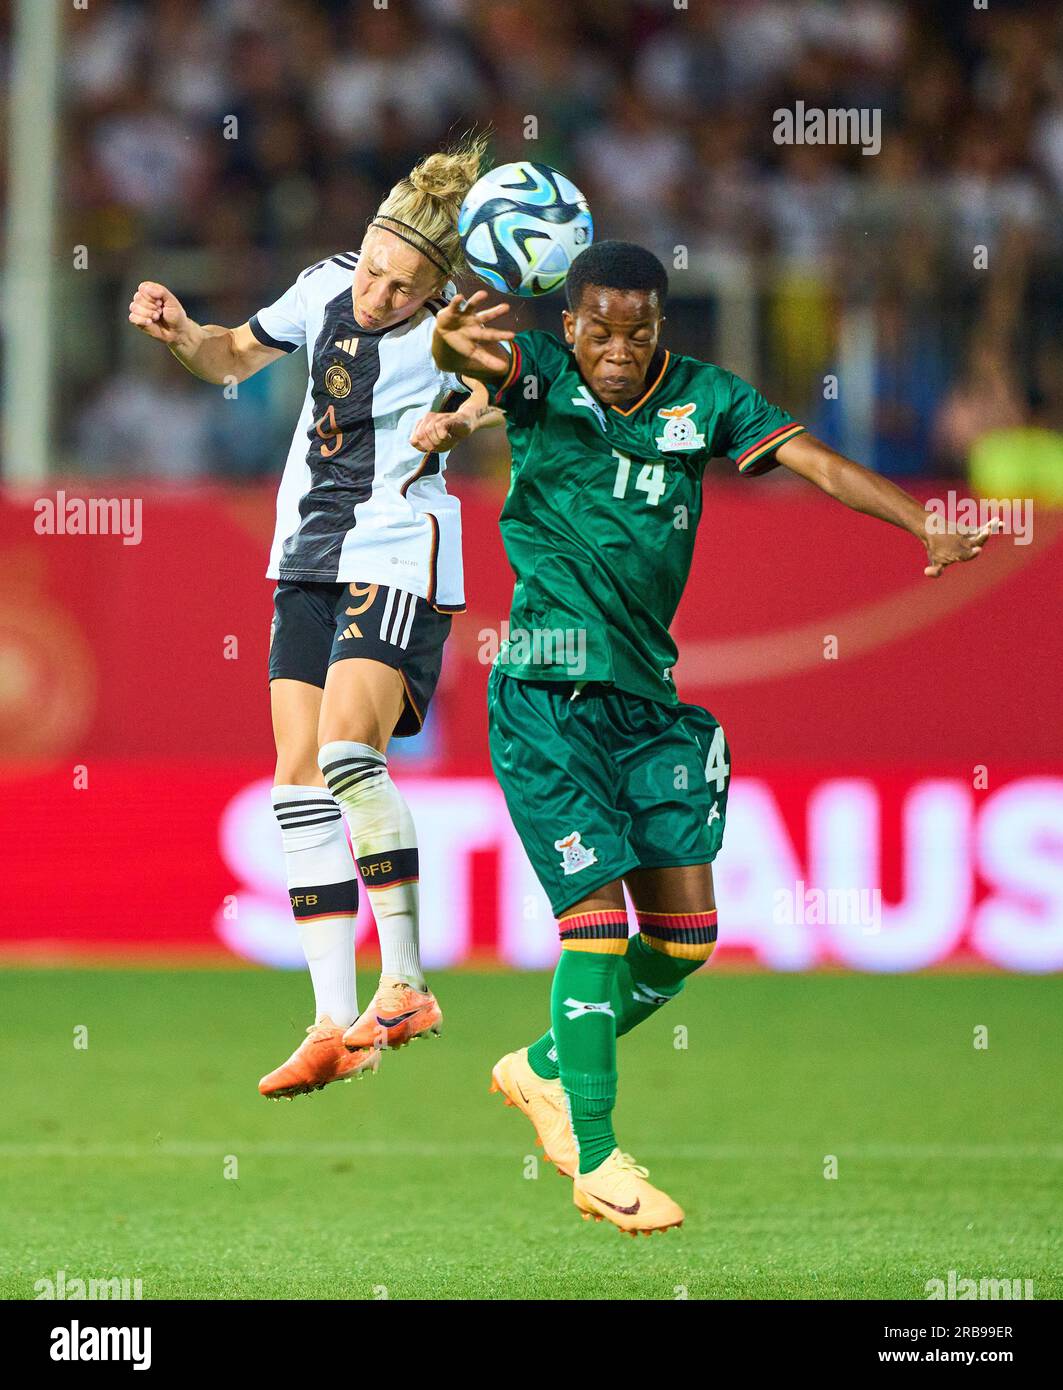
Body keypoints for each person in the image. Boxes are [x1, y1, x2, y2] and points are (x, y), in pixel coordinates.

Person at [432, 239, 996, 1234]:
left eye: (636, 331)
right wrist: (447, 343)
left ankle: (543, 1066)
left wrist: (921, 526)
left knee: (685, 937)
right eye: (598, 329)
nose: (615, 348)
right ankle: (596, 1154)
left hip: (648, 702)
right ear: (570, 326)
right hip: (545, 691)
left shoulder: (708, 399)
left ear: (661, 330)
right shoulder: (542, 376)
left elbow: (814, 460)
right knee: (596, 924)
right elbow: (480, 364)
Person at [129, 136, 502, 1099]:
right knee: (295, 777)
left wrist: (463, 417)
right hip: (305, 552)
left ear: (435, 288)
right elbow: (230, 359)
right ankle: (335, 1022)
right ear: (363, 250)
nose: (380, 296)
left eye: (403, 286)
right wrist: (181, 331)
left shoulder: (452, 329)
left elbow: (502, 393)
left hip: (397, 546)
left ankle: (408, 983)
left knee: (345, 755)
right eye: (376, 272)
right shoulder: (322, 285)